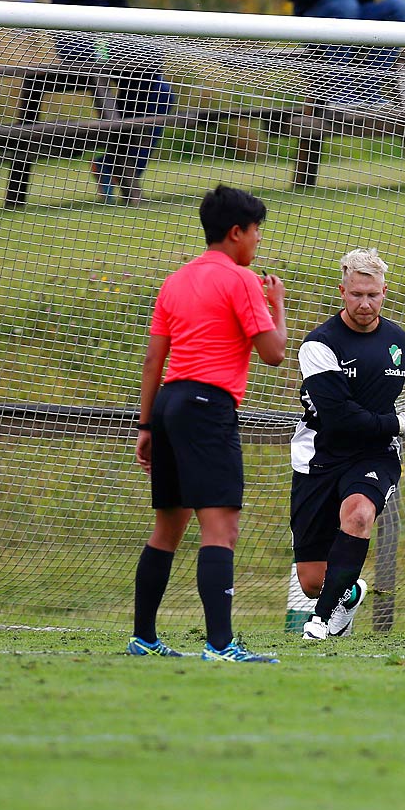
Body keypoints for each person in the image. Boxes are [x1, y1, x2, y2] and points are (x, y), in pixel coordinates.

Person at [131, 185, 288, 663]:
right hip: (207, 406)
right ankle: (221, 646)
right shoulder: (241, 281)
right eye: (256, 231)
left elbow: (154, 360)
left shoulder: (176, 280)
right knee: (221, 530)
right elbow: (275, 353)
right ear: (236, 232)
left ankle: (144, 639)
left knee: (167, 530)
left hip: (170, 404)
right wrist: (277, 303)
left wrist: (146, 426)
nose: (258, 241)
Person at [291, 249, 405, 642]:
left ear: (385, 292)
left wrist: (391, 430)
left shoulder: (400, 342)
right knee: (313, 581)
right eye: (356, 295)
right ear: (342, 292)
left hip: (373, 454)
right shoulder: (319, 345)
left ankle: (319, 623)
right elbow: (340, 418)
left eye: (372, 295)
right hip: (319, 455)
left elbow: (370, 413)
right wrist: (402, 423)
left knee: (358, 516)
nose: (364, 303)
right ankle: (344, 597)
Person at [46, 0, 172, 205]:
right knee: (135, 90)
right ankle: (117, 168)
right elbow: (60, 9)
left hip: (117, 39)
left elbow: (120, 2)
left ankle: (112, 165)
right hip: (79, 42)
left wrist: (132, 36)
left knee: (161, 94)